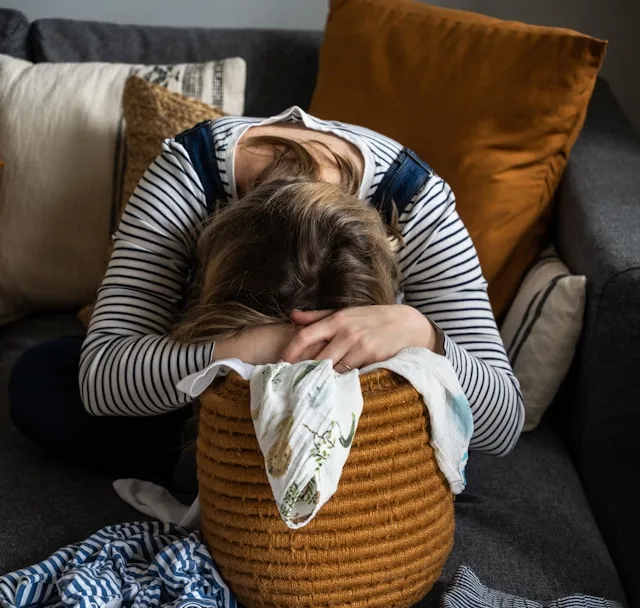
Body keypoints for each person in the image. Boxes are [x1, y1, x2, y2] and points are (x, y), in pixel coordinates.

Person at [9, 106, 524, 488]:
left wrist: (422, 334)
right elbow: (103, 378)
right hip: (208, 393)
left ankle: (223, 478)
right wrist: (253, 349)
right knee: (41, 379)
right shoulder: (190, 177)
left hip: (355, 406)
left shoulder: (415, 201)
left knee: (448, 425)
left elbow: (503, 426)